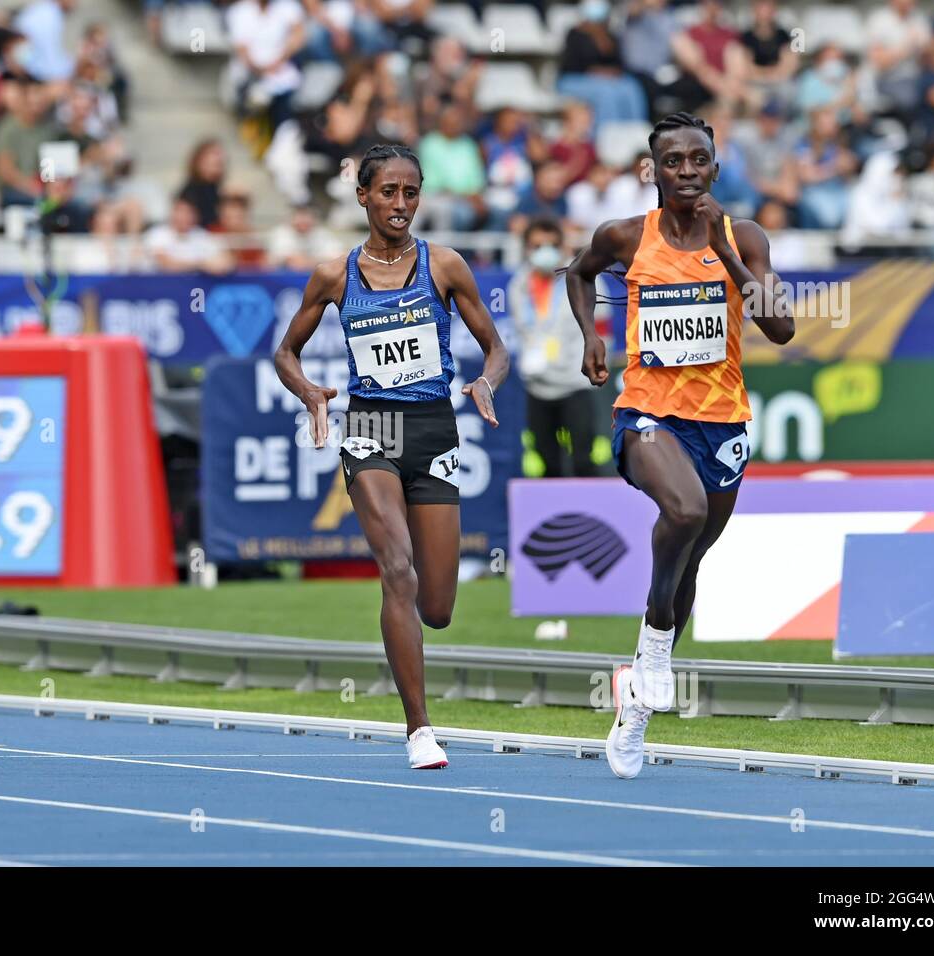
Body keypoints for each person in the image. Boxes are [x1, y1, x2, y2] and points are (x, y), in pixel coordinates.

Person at [564, 113, 793, 779]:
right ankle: (658, 648)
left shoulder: (745, 237)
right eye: (673, 161)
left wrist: (724, 254)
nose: (687, 171)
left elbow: (779, 328)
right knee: (685, 513)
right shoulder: (625, 236)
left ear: (716, 169)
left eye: (699, 160)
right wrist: (591, 335)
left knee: (689, 558)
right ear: (653, 171)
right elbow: (580, 275)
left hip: (722, 423)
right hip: (646, 412)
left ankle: (635, 704)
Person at [274, 143, 508, 769]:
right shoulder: (333, 275)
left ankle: (417, 701)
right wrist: (311, 395)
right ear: (363, 196)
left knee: (437, 608)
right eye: (388, 193)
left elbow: (496, 348)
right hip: (371, 426)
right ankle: (419, 729)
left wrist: (487, 381)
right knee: (396, 571)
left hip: (434, 430)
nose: (400, 204)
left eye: (411, 193)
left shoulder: (446, 266)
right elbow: (285, 353)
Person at [510, 218, 597, 477]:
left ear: (562, 246)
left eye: (552, 244)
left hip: (576, 382)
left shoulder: (582, 278)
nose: (544, 251)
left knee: (583, 459)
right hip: (537, 384)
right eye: (537, 245)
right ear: (526, 248)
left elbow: (600, 330)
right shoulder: (518, 286)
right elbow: (522, 331)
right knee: (547, 460)